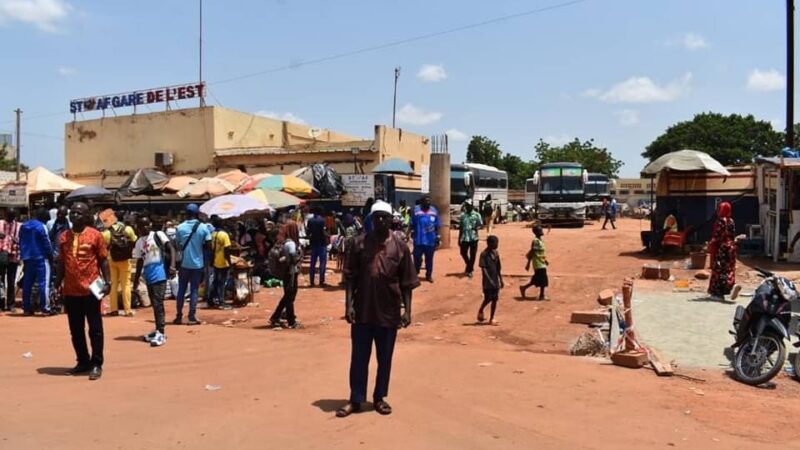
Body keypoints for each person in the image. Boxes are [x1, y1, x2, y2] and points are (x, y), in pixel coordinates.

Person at [336, 201, 420, 418]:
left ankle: (379, 397)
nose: (381, 220)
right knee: (359, 358)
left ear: (391, 219)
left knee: (385, 358)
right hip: (362, 310)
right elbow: (350, 278)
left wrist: (408, 311)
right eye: (377, 217)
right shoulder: (359, 244)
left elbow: (407, 283)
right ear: (371, 220)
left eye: (385, 216)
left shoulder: (400, 246)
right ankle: (355, 399)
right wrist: (349, 305)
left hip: (389, 311)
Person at [55, 202, 110, 381]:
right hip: (71, 290)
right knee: (76, 329)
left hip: (92, 290)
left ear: (86, 217)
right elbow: (61, 262)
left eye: (79, 213)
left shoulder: (95, 235)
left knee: (95, 329)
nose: (74, 216)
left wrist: (108, 282)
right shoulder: (64, 237)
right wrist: (57, 282)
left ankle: (96, 363)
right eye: (73, 213)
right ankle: (83, 361)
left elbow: (103, 260)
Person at [132, 216, 175, 347]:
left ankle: (161, 332)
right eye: (141, 226)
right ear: (137, 228)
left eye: (146, 225)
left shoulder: (158, 235)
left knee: (158, 303)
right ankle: (157, 329)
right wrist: (136, 280)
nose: (144, 228)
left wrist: (172, 265)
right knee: (154, 304)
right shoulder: (139, 242)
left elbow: (171, 248)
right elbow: (139, 261)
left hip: (160, 273)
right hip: (148, 275)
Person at [173, 204, 212, 325]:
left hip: (184, 264)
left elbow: (177, 245)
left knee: (181, 290)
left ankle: (179, 316)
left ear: (186, 213)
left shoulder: (180, 227)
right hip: (198, 264)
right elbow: (209, 245)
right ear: (197, 214)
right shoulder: (204, 228)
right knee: (194, 290)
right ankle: (191, 317)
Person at [100, 210, 137, 316]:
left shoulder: (106, 233)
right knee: (126, 285)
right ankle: (128, 310)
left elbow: (104, 245)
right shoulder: (128, 229)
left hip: (112, 260)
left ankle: (114, 309)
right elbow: (134, 239)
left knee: (113, 285)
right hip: (125, 261)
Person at [20, 208, 55, 315]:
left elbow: (20, 241)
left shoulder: (23, 226)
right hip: (41, 257)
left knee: (27, 283)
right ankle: (45, 308)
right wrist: (51, 256)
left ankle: (26, 308)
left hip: (27, 257)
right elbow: (46, 242)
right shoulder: (41, 226)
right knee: (43, 283)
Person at [268, 221, 302, 328]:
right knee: (289, 296)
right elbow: (293, 256)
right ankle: (290, 320)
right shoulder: (290, 243)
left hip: (287, 272)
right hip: (291, 272)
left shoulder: (286, 242)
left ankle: (278, 316)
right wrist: (297, 258)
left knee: (288, 296)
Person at [708, 202, 742, 301]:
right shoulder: (731, 221)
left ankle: (718, 294)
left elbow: (717, 236)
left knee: (719, 270)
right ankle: (732, 285)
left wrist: (710, 244)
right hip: (731, 248)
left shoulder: (720, 222)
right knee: (729, 270)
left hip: (722, 249)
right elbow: (732, 235)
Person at [410, 196, 441, 283]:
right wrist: (411, 233)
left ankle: (429, 275)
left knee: (429, 259)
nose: (428, 203)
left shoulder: (434, 211)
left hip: (430, 240)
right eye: (426, 201)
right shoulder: (416, 211)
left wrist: (438, 237)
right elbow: (412, 223)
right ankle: (415, 273)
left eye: (429, 201)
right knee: (416, 258)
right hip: (419, 240)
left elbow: (437, 225)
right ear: (421, 202)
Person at [477, 235, 503, 324]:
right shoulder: (484, 254)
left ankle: (492, 318)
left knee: (495, 299)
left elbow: (499, 267)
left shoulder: (496, 253)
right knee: (488, 298)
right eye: (495, 243)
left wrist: (501, 279)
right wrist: (489, 280)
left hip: (495, 279)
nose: (497, 245)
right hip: (487, 282)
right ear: (490, 243)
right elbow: (483, 269)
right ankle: (481, 309)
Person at [209, 215, 233, 310]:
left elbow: (212, 249)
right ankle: (221, 302)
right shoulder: (224, 235)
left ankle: (210, 299)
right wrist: (230, 263)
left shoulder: (213, 234)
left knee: (215, 281)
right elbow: (227, 250)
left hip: (215, 261)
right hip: (223, 262)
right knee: (222, 283)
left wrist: (212, 260)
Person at [520, 225, 549, 300]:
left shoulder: (540, 240)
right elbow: (532, 252)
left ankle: (524, 288)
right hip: (538, 263)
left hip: (541, 262)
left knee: (539, 279)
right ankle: (541, 295)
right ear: (536, 232)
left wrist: (545, 260)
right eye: (540, 230)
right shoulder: (536, 241)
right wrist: (528, 263)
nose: (542, 231)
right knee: (542, 279)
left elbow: (540, 253)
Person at [0, 208, 21, 311]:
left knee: (11, 281)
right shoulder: (0, 224)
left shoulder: (18, 226)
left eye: (12, 216)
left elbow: (22, 240)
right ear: (5, 214)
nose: (10, 218)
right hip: (1, 256)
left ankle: (11, 304)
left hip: (13, 256)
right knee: (1, 280)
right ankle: (1, 304)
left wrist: (17, 241)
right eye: (9, 216)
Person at [458, 201, 483, 278]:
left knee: (473, 255)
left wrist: (476, 228)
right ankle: (469, 266)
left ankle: (469, 270)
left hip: (473, 237)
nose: (468, 207)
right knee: (463, 253)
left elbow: (481, 225)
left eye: (469, 205)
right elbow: (461, 227)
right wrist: (459, 238)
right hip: (465, 237)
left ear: (472, 206)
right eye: (466, 205)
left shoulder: (476, 215)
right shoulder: (463, 215)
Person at [306, 207, 329, 287]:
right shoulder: (322, 220)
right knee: (322, 263)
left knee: (312, 263)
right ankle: (321, 282)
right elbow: (324, 232)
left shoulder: (310, 220)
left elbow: (308, 232)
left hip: (313, 243)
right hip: (322, 243)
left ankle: (311, 282)